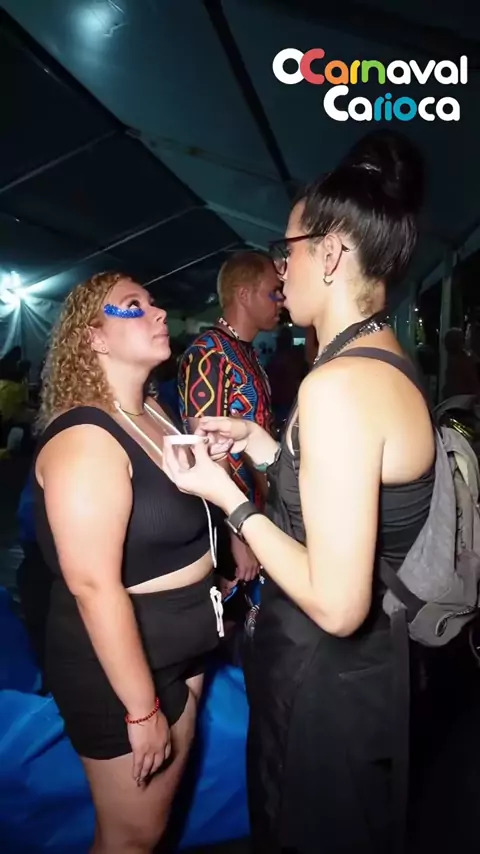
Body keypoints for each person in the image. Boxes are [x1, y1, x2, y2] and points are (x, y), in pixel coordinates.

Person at [164, 131, 435, 853]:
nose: (281, 271)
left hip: (324, 690)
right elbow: (341, 487)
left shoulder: (339, 385)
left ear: (333, 254)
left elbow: (338, 604)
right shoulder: (380, 360)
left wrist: (230, 499)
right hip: (364, 682)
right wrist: (258, 442)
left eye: (288, 251)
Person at [33, 271, 224, 854]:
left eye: (154, 302)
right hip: (122, 670)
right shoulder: (85, 438)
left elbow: (176, 516)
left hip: (184, 644)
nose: (158, 312)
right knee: (132, 838)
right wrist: (141, 711)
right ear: (95, 338)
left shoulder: (155, 412)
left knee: (156, 827)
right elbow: (92, 585)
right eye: (133, 306)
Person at [178, 250, 282, 592]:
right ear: (244, 294)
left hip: (258, 515)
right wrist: (236, 534)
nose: (281, 300)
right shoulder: (209, 355)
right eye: (273, 292)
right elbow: (205, 453)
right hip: (233, 522)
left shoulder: (244, 351)